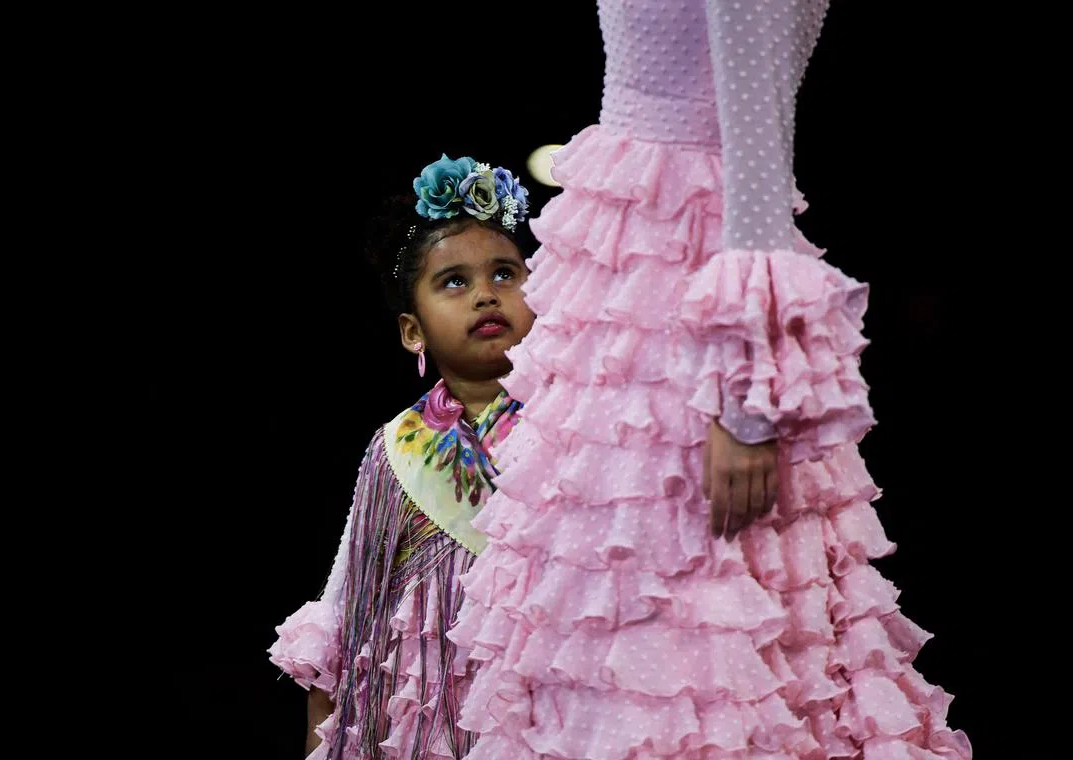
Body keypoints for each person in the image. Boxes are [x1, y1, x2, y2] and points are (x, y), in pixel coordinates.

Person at [447, 3, 973, 758]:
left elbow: (757, 165)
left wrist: (745, 400)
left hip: (680, 290)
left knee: (684, 614)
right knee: (611, 614)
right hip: (635, 277)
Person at [268, 154, 536, 758]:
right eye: (455, 282)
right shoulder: (395, 449)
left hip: (548, 702)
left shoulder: (587, 428)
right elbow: (348, 604)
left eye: (505, 274)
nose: (486, 296)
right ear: (412, 331)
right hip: (430, 719)